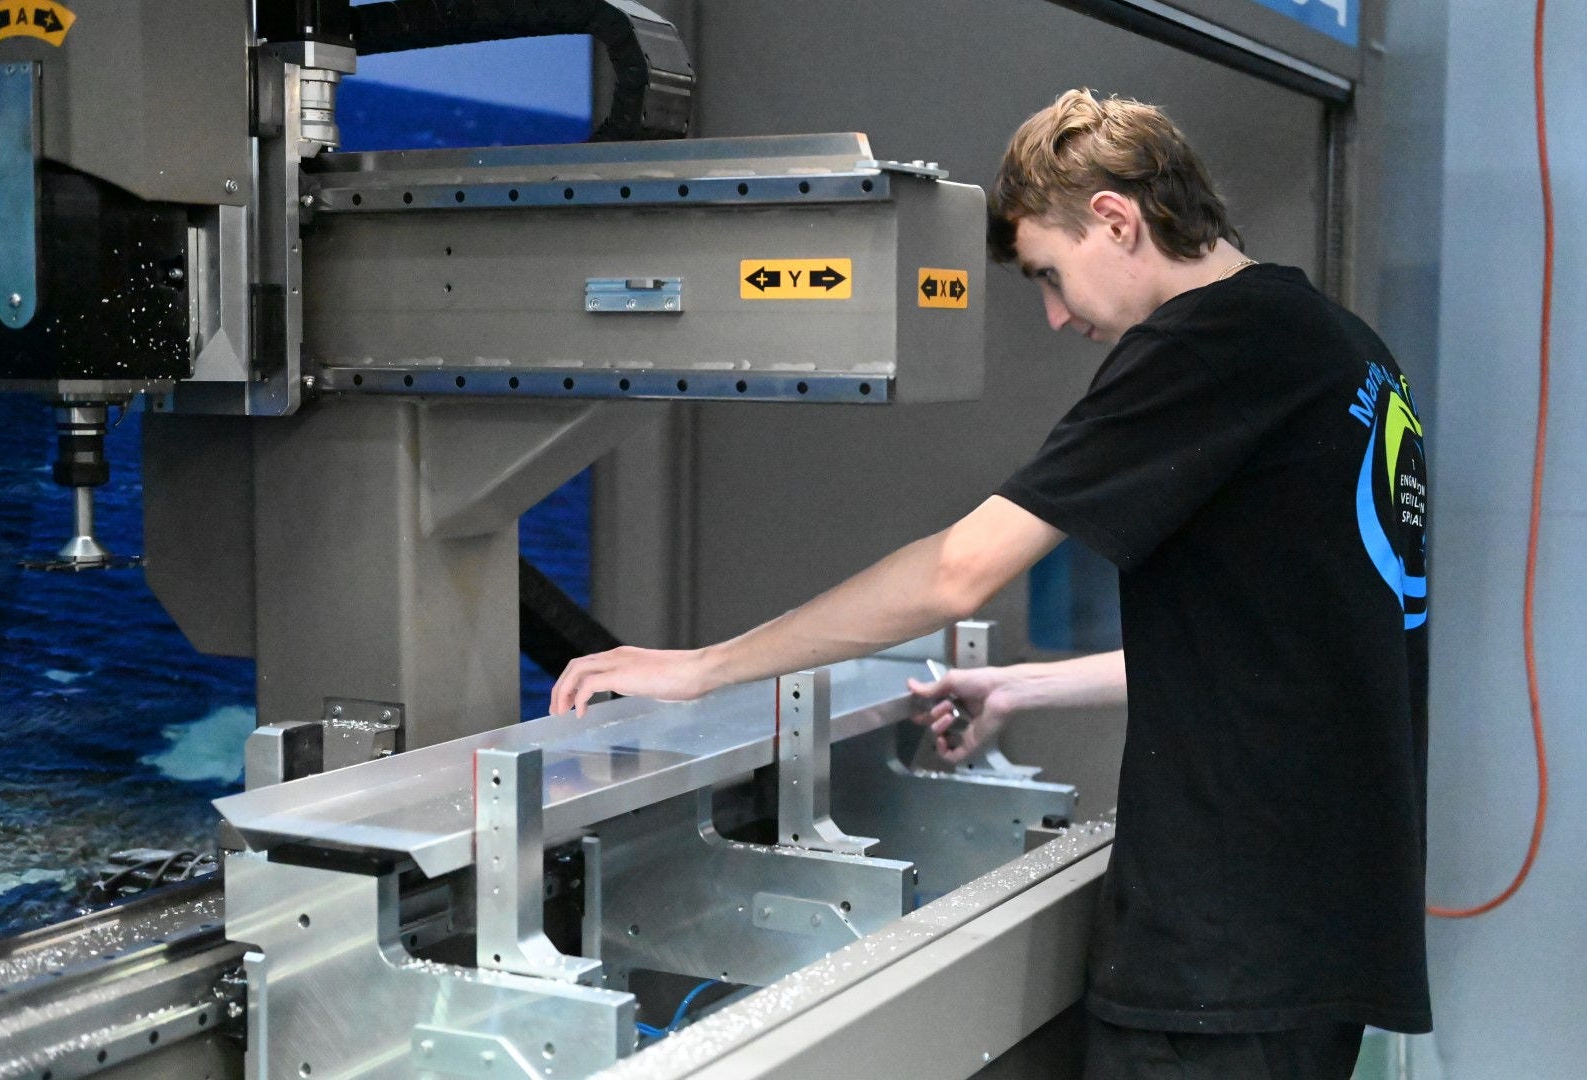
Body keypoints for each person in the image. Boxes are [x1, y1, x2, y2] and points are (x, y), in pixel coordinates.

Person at [551, 88, 1430, 1079]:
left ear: (1114, 218)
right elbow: (1279, 647)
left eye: (1050, 275)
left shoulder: (1210, 345)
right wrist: (1022, 686)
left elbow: (957, 570)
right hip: (1314, 932)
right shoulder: (1344, 349)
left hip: (1221, 957)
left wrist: (706, 668)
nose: (1055, 315)